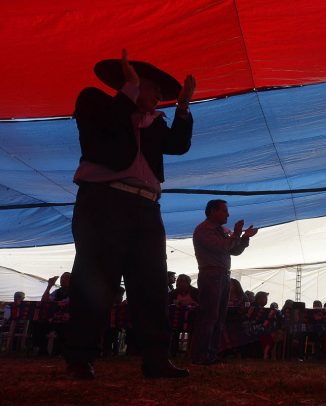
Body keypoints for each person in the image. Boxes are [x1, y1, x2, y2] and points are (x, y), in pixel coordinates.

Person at [66, 50, 195, 379]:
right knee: (96, 281)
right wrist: (131, 90)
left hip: (147, 207)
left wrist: (183, 107)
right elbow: (106, 128)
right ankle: (80, 357)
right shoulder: (94, 101)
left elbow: (178, 145)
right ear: (133, 83)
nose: (160, 97)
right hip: (104, 201)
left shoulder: (154, 123)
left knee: (152, 284)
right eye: (155, 89)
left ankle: (156, 358)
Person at [191, 199, 257, 365]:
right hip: (211, 274)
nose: (228, 214)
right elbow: (223, 247)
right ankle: (201, 355)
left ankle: (210, 354)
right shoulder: (203, 230)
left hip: (222, 275)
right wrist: (237, 233)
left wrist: (244, 237)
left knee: (219, 317)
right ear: (213, 211)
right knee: (209, 316)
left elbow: (234, 250)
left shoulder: (220, 230)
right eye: (224, 211)